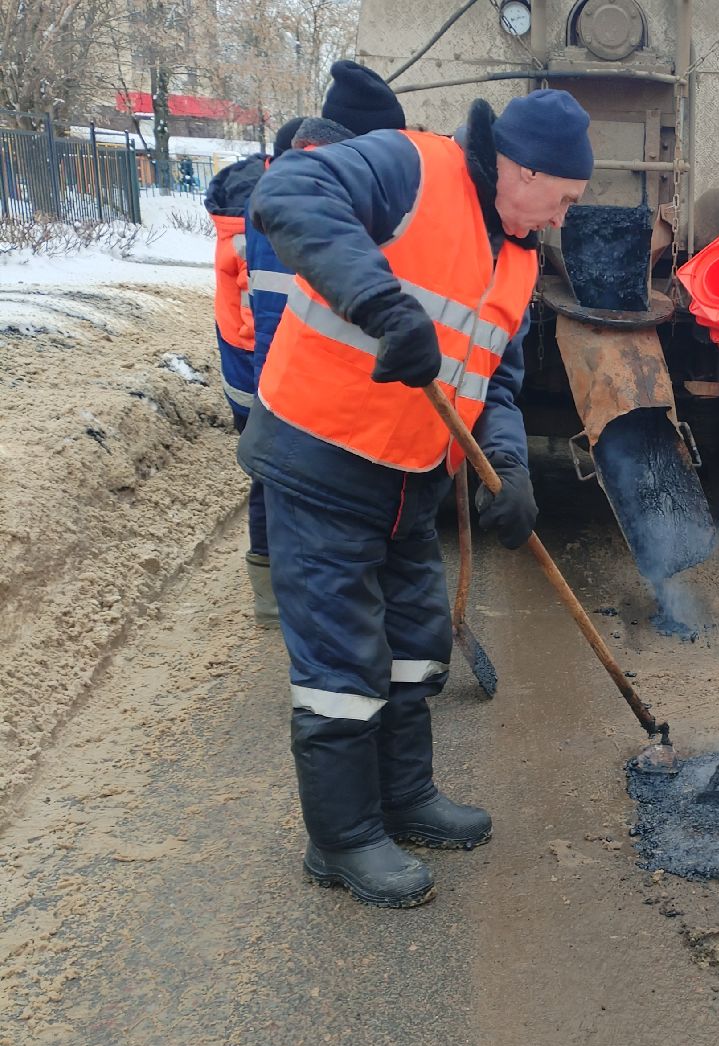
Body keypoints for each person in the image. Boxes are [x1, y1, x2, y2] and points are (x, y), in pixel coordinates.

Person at [240, 75, 593, 908]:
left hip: (410, 474)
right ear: (523, 169)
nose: (562, 219)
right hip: (324, 456)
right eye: (563, 199)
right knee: (341, 659)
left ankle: (405, 798)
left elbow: (495, 380)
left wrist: (504, 473)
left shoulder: (517, 254)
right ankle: (343, 839)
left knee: (413, 642)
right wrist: (382, 304)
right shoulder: (412, 167)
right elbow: (289, 189)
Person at [240, 116, 358, 624]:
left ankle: (275, 593)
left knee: (274, 477)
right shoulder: (302, 196)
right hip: (289, 362)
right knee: (286, 478)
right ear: (317, 150)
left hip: (270, 357)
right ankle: (281, 595)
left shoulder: (276, 190)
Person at [205, 121, 298, 625]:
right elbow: (266, 316)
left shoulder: (246, 205)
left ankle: (269, 592)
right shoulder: (265, 214)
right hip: (257, 364)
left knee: (266, 476)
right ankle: (270, 594)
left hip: (241, 362)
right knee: (272, 476)